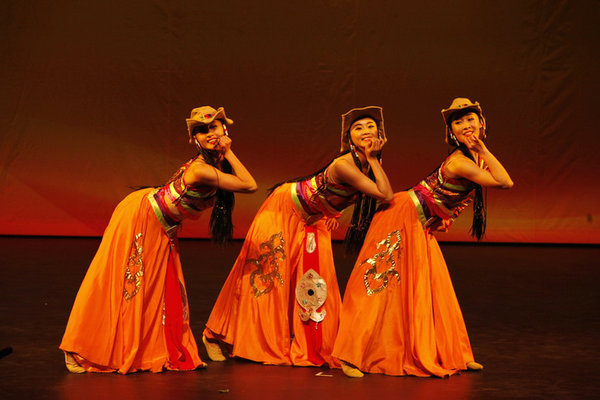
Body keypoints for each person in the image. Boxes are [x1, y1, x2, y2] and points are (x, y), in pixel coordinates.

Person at [60, 106, 257, 374]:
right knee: (116, 281)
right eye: (201, 131)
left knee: (159, 291)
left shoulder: (213, 165)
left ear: (225, 128)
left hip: (162, 226)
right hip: (141, 217)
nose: (210, 134)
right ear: (194, 139)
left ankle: (149, 348)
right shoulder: (200, 170)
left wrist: (224, 154)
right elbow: (249, 185)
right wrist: (229, 150)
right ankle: (78, 347)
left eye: (214, 127)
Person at [332, 98, 514, 378]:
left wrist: (481, 149)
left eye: (470, 119)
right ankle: (350, 355)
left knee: (434, 288)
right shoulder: (459, 161)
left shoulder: (473, 157)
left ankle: (454, 354)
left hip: (419, 224)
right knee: (375, 285)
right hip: (402, 216)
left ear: (482, 123)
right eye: (458, 122)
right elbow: (504, 181)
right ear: (451, 132)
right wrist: (483, 148)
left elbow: (499, 181)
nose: (465, 125)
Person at [202, 106, 394, 367]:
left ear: (380, 135)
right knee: (264, 278)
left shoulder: (371, 165)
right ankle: (215, 334)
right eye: (358, 128)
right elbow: (385, 195)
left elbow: (344, 195)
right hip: (284, 208)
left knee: (316, 283)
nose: (365, 132)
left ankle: (315, 343)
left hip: (313, 219)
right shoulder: (344, 164)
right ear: (350, 139)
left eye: (370, 127)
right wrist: (372, 160)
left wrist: (330, 214)